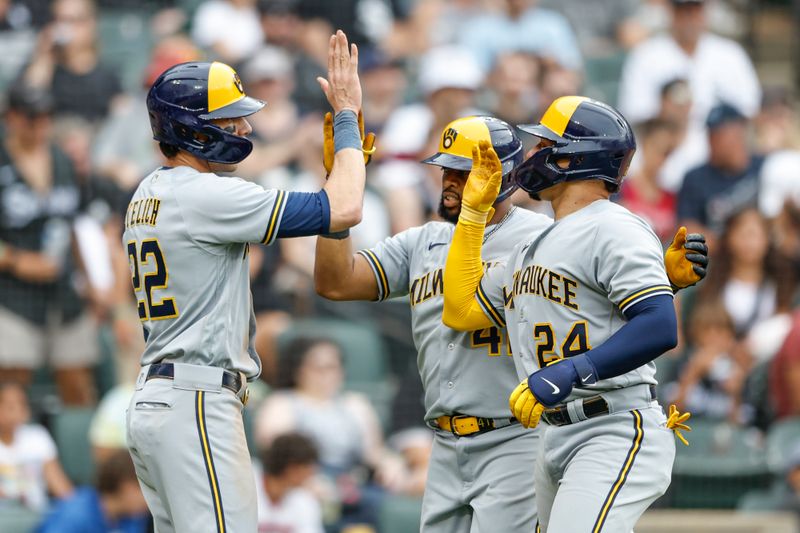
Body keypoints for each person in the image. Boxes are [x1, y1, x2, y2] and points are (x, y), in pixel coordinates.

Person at [315, 113, 707, 532]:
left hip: (526, 432)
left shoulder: (542, 233)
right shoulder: (435, 241)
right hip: (464, 439)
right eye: (444, 168)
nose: (449, 179)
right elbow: (354, 286)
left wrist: (659, 283)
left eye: (464, 170)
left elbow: (635, 315)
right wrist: (339, 181)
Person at [124, 30, 369, 532]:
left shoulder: (148, 191)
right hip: (196, 400)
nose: (242, 124)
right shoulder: (204, 195)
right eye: (226, 118)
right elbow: (344, 209)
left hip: (162, 398)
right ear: (193, 131)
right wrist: (347, 120)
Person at [441, 96, 696, 532]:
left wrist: (573, 371)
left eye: (544, 145)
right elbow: (460, 310)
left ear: (574, 158)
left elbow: (659, 325)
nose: (533, 154)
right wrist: (473, 214)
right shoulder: (532, 244)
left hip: (612, 425)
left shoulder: (614, 225)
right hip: (554, 434)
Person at [0, 83, 100, 406]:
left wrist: (93, 281)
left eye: (46, 117)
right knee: (12, 387)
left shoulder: (63, 160)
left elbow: (77, 227)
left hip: (64, 290)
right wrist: (15, 259)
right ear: (12, 117)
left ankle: (74, 455)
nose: (41, 125)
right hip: (11, 292)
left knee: (78, 383)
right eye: (32, 117)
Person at [618, 0, 761, 192]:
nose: (689, 18)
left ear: (705, 11)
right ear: (670, 12)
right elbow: (636, 115)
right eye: (682, 10)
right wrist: (668, 114)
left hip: (716, 145)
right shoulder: (646, 54)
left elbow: (750, 111)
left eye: (695, 10)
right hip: (669, 147)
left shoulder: (730, 54)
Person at [0, 381, 73, 512]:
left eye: (22, 405)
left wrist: (76, 507)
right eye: (10, 406)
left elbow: (59, 484)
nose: (17, 411)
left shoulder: (38, 437)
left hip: (37, 515)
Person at [37, 449, 148, 533]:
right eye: (145, 489)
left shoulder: (135, 517)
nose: (150, 499)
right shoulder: (75, 514)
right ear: (126, 487)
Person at [253, 432, 323, 533]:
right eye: (307, 466)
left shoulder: (305, 500)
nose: (311, 473)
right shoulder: (246, 482)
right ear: (292, 467)